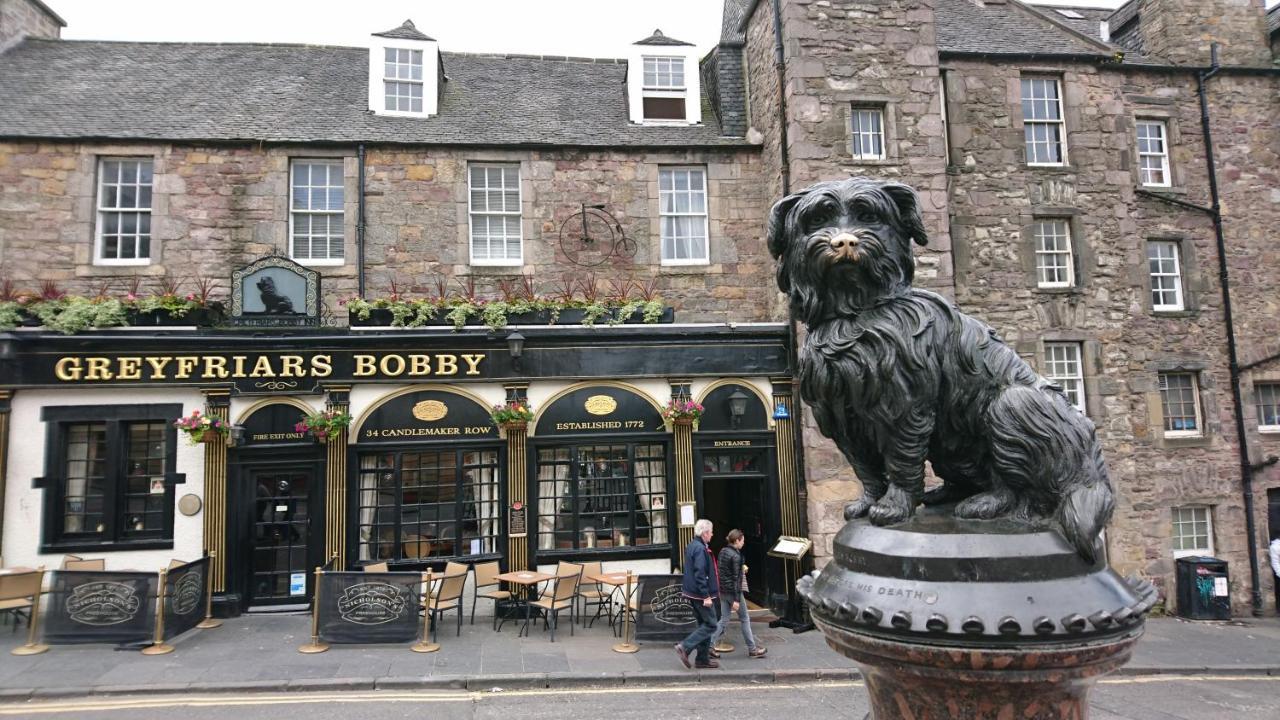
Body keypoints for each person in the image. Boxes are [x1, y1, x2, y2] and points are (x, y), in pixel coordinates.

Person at [710, 529, 767, 658]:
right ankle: (752, 649)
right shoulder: (737, 556)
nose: (743, 543)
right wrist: (736, 600)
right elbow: (737, 578)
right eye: (742, 541)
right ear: (736, 541)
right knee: (745, 619)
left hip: (723, 590)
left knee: (724, 619)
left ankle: (709, 644)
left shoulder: (723, 551)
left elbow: (722, 571)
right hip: (733, 592)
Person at [675, 518, 720, 669]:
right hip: (700, 595)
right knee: (712, 624)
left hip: (693, 593)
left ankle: (702, 659)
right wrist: (706, 595)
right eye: (711, 532)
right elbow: (700, 573)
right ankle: (685, 647)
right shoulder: (700, 549)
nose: (712, 535)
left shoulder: (692, 545)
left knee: (704, 624)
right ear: (705, 533)